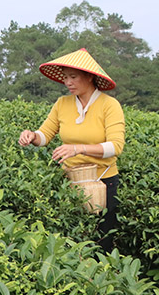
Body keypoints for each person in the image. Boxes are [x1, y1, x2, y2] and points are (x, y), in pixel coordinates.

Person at [18, 48, 124, 252]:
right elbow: (45, 135)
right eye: (65, 77)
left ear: (90, 77)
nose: (68, 82)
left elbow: (115, 146)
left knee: (102, 241)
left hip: (103, 181)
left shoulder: (109, 105)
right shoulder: (62, 104)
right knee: (73, 240)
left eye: (73, 77)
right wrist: (31, 136)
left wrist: (78, 149)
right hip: (71, 181)